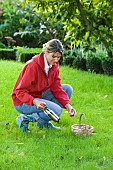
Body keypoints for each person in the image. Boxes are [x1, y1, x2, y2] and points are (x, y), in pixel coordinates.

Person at [11, 39, 76, 132]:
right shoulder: (32, 66)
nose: (56, 60)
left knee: (67, 89)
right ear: (46, 51)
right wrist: (35, 102)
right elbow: (19, 92)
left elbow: (57, 88)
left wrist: (68, 105)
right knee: (57, 111)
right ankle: (25, 119)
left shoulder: (54, 65)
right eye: (53, 56)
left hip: (38, 94)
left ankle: (43, 121)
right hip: (22, 101)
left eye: (58, 57)